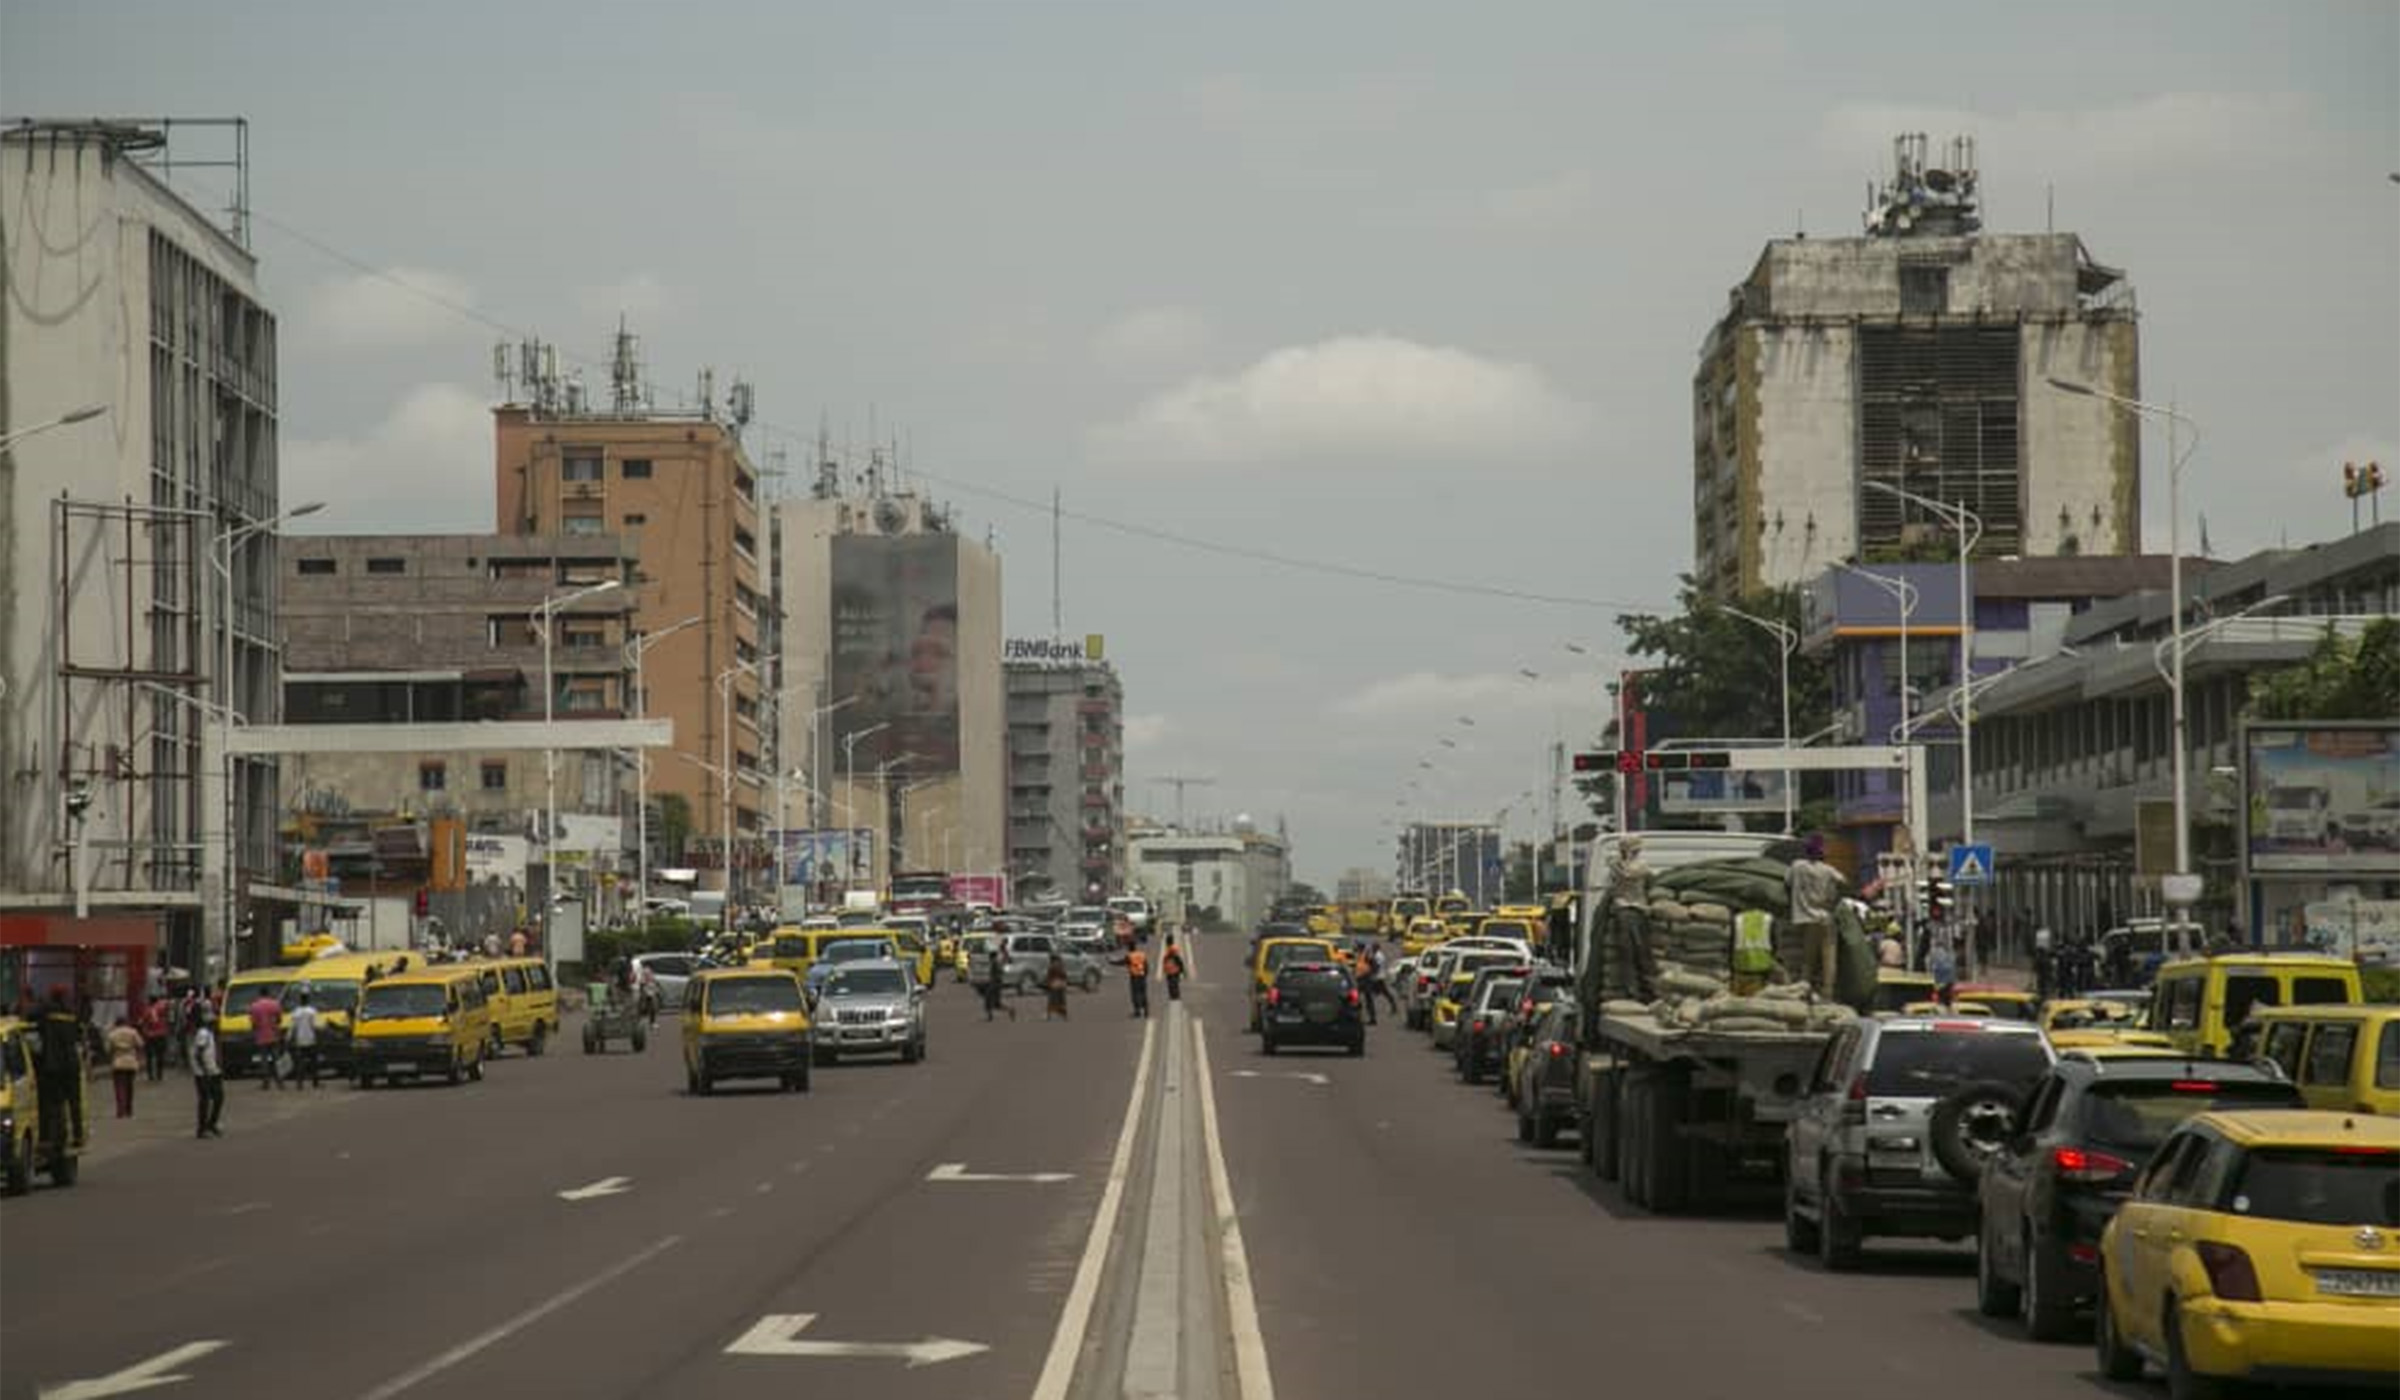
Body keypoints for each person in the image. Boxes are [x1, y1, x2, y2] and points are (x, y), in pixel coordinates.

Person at [1786, 834, 1846, 998]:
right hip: (1825, 917)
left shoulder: (1797, 866)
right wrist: (1832, 896)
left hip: (1806, 918)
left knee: (1807, 958)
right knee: (1829, 958)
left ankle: (1804, 989)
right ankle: (1828, 992)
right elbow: (1843, 881)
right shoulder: (1827, 870)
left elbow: (1787, 883)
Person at [35, 987, 86, 1150]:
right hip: (72, 1064)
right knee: (74, 1102)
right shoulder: (72, 1014)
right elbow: (79, 1033)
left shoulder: (46, 1013)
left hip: (54, 1065)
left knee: (56, 1104)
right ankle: (78, 1135)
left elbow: (31, 1016)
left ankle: (57, 1136)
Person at [191, 1012, 225, 1139]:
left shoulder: (211, 1034)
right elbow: (198, 1054)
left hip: (213, 1070)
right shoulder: (203, 1034)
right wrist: (204, 1071)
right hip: (203, 1073)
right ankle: (202, 1128)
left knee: (218, 1098)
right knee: (205, 1100)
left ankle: (211, 1123)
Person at [248, 986, 285, 1090]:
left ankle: (266, 1083)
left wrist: (255, 1031)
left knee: (264, 1060)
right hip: (274, 1035)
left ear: (260, 994)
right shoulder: (275, 1004)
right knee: (276, 1059)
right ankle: (280, 1082)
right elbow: (279, 1019)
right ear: (268, 993)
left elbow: (253, 1023)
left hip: (261, 1036)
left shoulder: (254, 1006)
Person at [286, 992, 323, 1089]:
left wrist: (288, 1038)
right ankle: (315, 1082)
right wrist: (319, 1037)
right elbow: (315, 1026)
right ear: (308, 1000)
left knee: (300, 1063)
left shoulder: (296, 1012)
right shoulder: (312, 1012)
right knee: (314, 1062)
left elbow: (292, 1027)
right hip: (311, 1040)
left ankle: (300, 1083)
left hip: (300, 1040)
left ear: (300, 1001)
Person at [1359, 942, 1396, 1025]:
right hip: (1378, 976)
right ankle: (1392, 1005)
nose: (1372, 949)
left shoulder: (1378, 956)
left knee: (1376, 994)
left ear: (1376, 948)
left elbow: (1376, 966)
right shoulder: (1378, 955)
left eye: (1373, 947)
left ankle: (1372, 1013)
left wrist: (1371, 973)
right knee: (1382, 993)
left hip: (1378, 977)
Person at [138, 996, 171, 1083]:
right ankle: (159, 1075)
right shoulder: (162, 1008)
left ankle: (150, 1075)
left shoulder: (148, 1010)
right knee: (160, 1055)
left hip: (150, 1035)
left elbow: (141, 1021)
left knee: (149, 1056)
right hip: (161, 1033)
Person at [981, 939, 1016, 1021]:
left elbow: (1001, 969)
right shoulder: (996, 961)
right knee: (996, 1004)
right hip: (996, 983)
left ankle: (990, 1016)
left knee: (988, 1000)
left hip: (995, 984)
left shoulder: (995, 962)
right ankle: (1010, 1010)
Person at [1043, 952, 1070, 1021]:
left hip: (1054, 985)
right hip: (1061, 985)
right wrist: (1065, 983)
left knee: (1052, 1000)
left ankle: (1049, 1016)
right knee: (1061, 1000)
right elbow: (1065, 976)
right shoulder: (1061, 966)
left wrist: (1048, 984)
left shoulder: (1052, 966)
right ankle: (1064, 1015)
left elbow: (1049, 977)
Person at [1126, 946, 1151, 1019]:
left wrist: (1111, 961)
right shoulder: (1142, 955)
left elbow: (1121, 962)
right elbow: (1146, 965)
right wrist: (1145, 974)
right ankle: (1146, 1011)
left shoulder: (1129, 956)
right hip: (1142, 976)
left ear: (1129, 949)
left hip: (1134, 977)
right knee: (1143, 993)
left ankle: (1137, 1011)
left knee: (1135, 994)